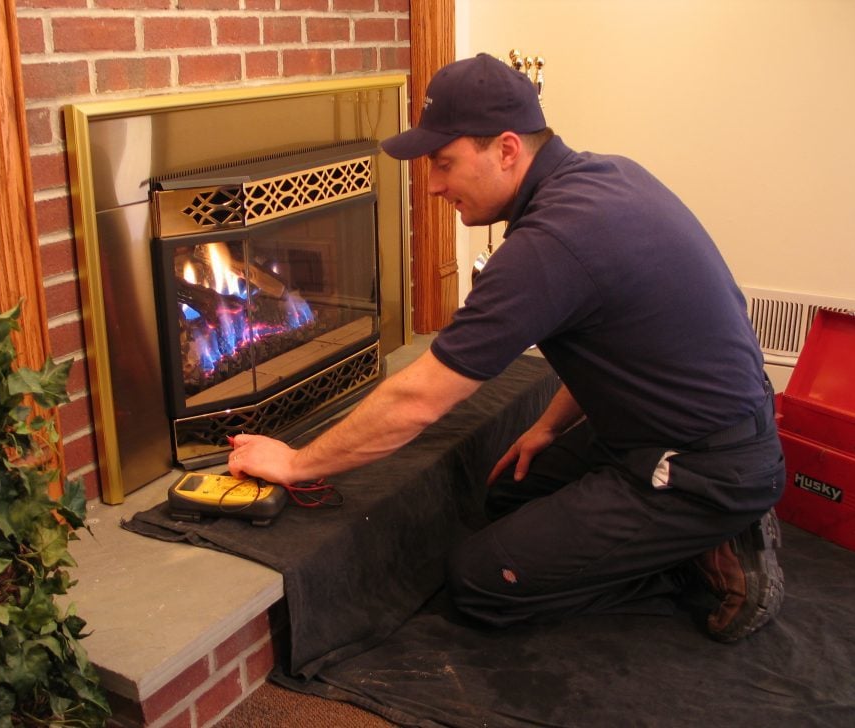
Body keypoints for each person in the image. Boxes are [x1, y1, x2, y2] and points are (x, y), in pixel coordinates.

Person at [229, 53, 785, 642]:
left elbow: (419, 400)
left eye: (444, 163)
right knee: (510, 491)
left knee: (481, 583)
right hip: (682, 425)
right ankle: (691, 526)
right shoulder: (605, 176)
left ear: (508, 149)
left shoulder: (552, 240)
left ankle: (709, 548)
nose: (435, 185)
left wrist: (295, 462)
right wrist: (547, 426)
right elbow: (613, 340)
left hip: (704, 463)